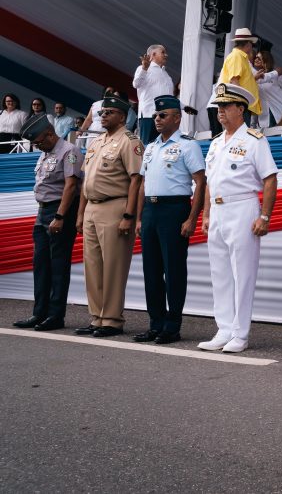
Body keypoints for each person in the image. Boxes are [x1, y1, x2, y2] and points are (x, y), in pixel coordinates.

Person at [200, 84, 278, 353]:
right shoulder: (215, 142)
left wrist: (265, 216)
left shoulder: (254, 140)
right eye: (218, 107)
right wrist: (207, 212)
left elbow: (269, 179)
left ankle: (240, 333)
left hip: (243, 207)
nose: (220, 112)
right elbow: (210, 181)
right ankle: (223, 329)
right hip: (219, 211)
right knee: (219, 273)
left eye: (226, 106)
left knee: (242, 274)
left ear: (241, 109)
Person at [133, 95, 206, 344]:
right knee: (151, 271)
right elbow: (143, 184)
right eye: (155, 115)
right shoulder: (151, 147)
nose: (157, 119)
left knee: (173, 271)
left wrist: (192, 218)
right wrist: (140, 218)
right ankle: (155, 324)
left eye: (163, 115)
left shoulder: (188, 146)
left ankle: (172, 326)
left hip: (174, 210)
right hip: (151, 211)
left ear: (177, 118)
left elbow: (200, 182)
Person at [74, 95, 143, 337]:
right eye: (102, 113)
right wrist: (81, 213)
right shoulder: (96, 142)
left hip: (115, 206)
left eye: (110, 112)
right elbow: (85, 181)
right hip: (92, 207)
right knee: (92, 266)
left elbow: (136, 180)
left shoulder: (129, 141)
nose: (103, 116)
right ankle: (97, 317)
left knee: (113, 266)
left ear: (122, 117)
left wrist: (129, 215)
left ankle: (112, 319)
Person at [11, 115, 82, 331]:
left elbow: (70, 186)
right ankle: (39, 313)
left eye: (40, 141)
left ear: (50, 134)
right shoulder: (45, 153)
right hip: (42, 212)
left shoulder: (70, 151)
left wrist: (60, 216)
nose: (38, 146)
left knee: (58, 266)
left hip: (59, 211)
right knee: (40, 265)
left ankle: (55, 315)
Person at [215, 29, 262, 127]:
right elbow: (234, 80)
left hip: (239, 105)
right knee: (240, 135)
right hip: (238, 105)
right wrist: (241, 102)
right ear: (248, 44)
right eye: (251, 44)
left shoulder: (239, 56)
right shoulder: (237, 56)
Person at [132, 44, 175, 144]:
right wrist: (144, 69)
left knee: (163, 146)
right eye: (163, 52)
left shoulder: (166, 75)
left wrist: (183, 107)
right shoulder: (143, 68)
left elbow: (170, 97)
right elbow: (136, 84)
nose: (166, 55)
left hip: (166, 116)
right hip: (149, 115)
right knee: (147, 147)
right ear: (153, 54)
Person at [253, 50, 282, 128]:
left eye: (259, 58)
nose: (256, 60)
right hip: (264, 116)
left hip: (281, 113)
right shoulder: (255, 78)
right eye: (255, 57)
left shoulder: (277, 76)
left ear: (266, 60)